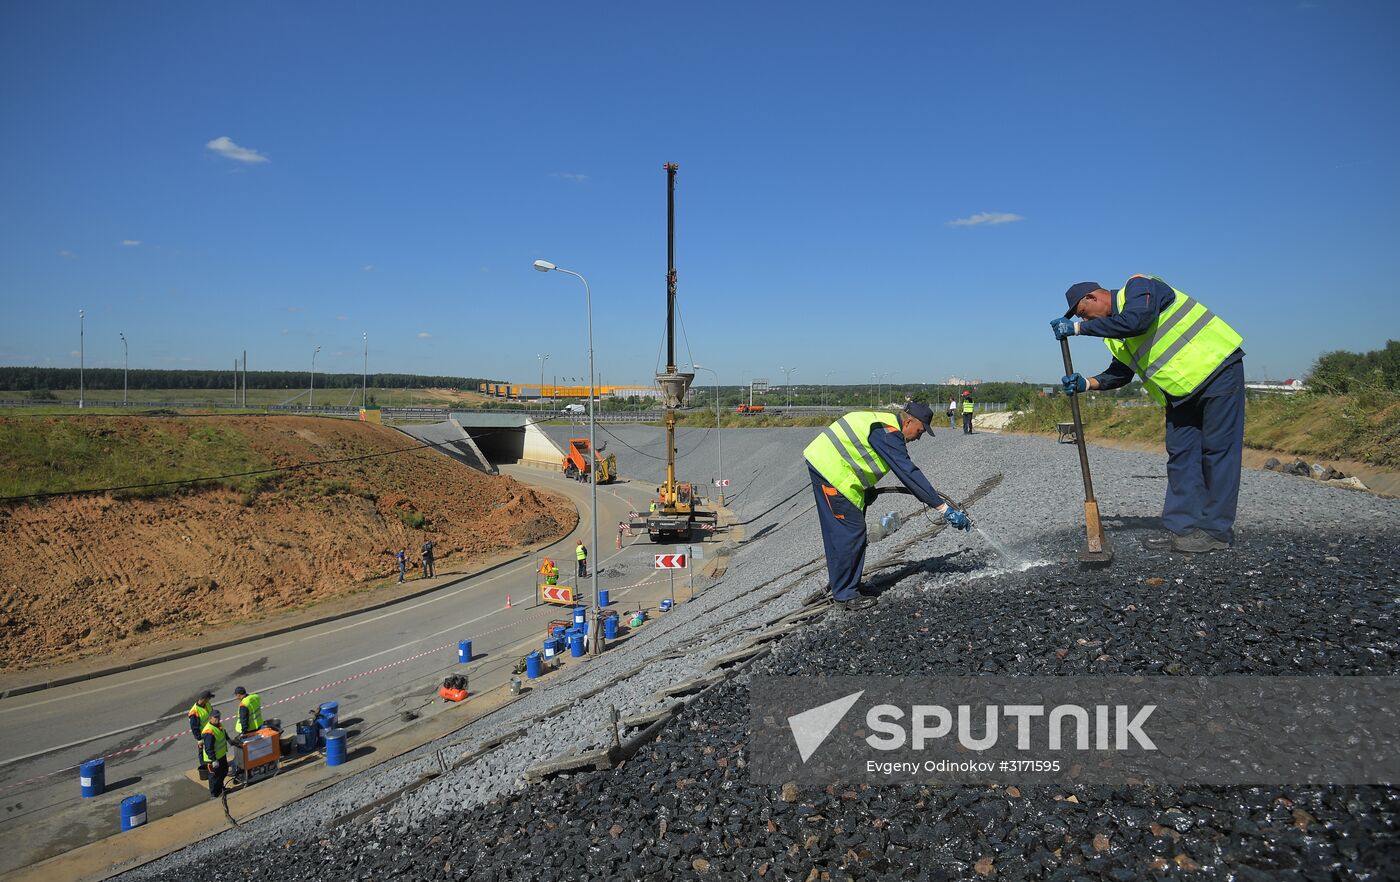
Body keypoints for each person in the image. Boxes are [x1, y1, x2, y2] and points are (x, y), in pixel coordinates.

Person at [1052, 276, 1245, 553]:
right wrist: (1086, 383)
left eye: (1084, 313)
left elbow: (1137, 322)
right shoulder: (1117, 336)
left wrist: (1079, 329)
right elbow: (1120, 374)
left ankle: (1216, 531)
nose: (1088, 320)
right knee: (1181, 455)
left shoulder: (1139, 288)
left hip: (1217, 371)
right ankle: (1182, 529)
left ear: (1093, 297)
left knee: (1217, 452)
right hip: (1180, 392)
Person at [803, 403, 972, 610]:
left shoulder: (882, 425)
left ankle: (848, 586)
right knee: (850, 532)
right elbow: (908, 473)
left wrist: (867, 489)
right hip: (831, 473)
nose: (919, 437)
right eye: (919, 431)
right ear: (908, 421)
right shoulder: (888, 433)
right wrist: (942, 508)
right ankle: (845, 595)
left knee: (847, 532)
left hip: (829, 466)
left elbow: (859, 455)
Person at [201, 708, 230, 798]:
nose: (218, 718)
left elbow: (223, 733)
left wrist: (229, 740)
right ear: (210, 719)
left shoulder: (218, 725)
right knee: (214, 776)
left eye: (218, 716)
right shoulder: (208, 731)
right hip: (213, 759)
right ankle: (214, 794)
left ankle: (221, 788)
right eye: (215, 717)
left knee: (224, 771)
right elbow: (209, 748)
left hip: (221, 756)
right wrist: (213, 760)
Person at [187, 690, 215, 780]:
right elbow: (194, 727)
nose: (209, 700)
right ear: (203, 699)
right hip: (203, 736)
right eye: (208, 698)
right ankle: (205, 770)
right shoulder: (194, 712)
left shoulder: (207, 705)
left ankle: (212, 765)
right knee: (202, 752)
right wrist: (199, 739)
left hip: (211, 732)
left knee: (211, 749)